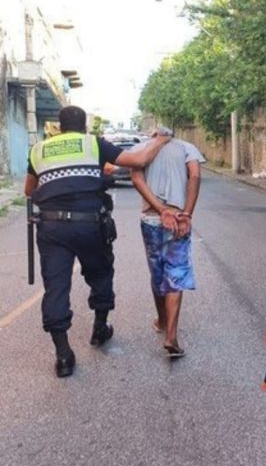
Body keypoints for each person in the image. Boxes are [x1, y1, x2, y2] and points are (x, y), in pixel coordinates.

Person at [24, 105, 170, 378]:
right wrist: (160, 140)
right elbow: (138, 160)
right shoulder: (93, 144)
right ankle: (100, 328)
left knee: (56, 287)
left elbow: (29, 190)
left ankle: (63, 355)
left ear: (59, 126)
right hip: (89, 223)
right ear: (85, 127)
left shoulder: (39, 149)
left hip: (52, 227)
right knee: (101, 274)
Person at [130, 128, 204, 359]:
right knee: (176, 273)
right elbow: (195, 175)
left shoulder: (141, 148)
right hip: (179, 218)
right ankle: (171, 336)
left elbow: (136, 177)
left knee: (158, 273)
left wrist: (160, 209)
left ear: (154, 135)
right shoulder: (187, 147)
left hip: (152, 219)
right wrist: (186, 214)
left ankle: (162, 320)